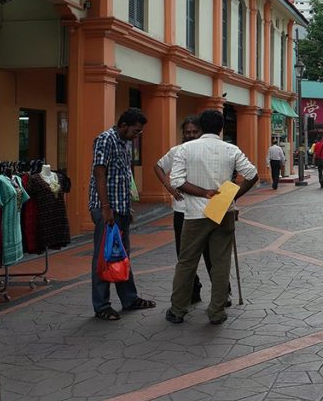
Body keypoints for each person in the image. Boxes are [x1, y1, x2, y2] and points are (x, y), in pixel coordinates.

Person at [166, 109, 258, 325]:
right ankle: (216, 311)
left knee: (187, 261)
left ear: (200, 126)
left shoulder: (185, 149)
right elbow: (252, 175)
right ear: (221, 127)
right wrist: (232, 197)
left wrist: (202, 193)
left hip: (195, 214)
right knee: (220, 261)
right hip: (223, 211)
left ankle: (178, 309)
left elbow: (177, 181)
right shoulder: (231, 149)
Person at [89, 108, 155, 321]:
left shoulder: (125, 142)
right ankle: (102, 306)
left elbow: (123, 176)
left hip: (121, 209)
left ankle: (129, 298)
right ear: (124, 125)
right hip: (107, 209)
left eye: (139, 133)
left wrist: (127, 207)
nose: (137, 135)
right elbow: (100, 174)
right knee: (104, 256)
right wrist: (106, 208)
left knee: (122, 256)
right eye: (136, 131)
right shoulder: (105, 139)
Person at [155, 115, 211, 304]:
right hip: (182, 210)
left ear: (202, 132)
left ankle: (222, 292)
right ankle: (193, 290)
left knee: (211, 253)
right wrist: (168, 185)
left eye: (195, 132)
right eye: (187, 132)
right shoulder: (177, 151)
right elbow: (159, 166)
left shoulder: (209, 151)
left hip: (207, 209)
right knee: (184, 254)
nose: (191, 135)